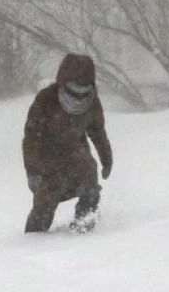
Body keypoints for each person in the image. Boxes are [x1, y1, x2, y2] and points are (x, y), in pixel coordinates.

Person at [22, 53, 113, 233]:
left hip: (78, 157)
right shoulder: (46, 100)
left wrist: (106, 159)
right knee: (44, 208)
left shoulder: (92, 102)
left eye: (84, 91)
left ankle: (84, 227)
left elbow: (97, 132)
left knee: (90, 190)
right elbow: (31, 138)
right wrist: (32, 171)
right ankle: (32, 242)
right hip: (48, 163)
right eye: (73, 89)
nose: (79, 97)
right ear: (63, 83)